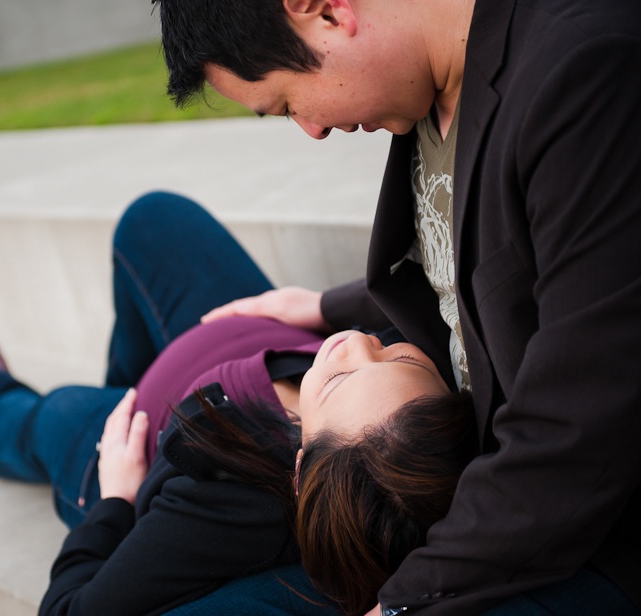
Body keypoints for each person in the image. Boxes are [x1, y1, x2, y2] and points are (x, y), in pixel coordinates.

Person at [153, 0, 641, 614]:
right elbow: (493, 263)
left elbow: (582, 427)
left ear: (324, 10)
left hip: (568, 532)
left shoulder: (582, 74)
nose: (312, 130)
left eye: (287, 103)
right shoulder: (429, 85)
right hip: (433, 489)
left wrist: (402, 604)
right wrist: (329, 305)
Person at [0, 192, 476, 615]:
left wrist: (114, 498)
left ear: (300, 467)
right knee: (153, 219)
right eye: (396, 358)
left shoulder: (228, 509)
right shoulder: (408, 418)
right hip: (240, 340)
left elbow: (70, 610)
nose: (357, 344)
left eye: (339, 380)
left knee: (52, 414)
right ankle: (123, 377)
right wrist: (318, 308)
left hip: (130, 442)